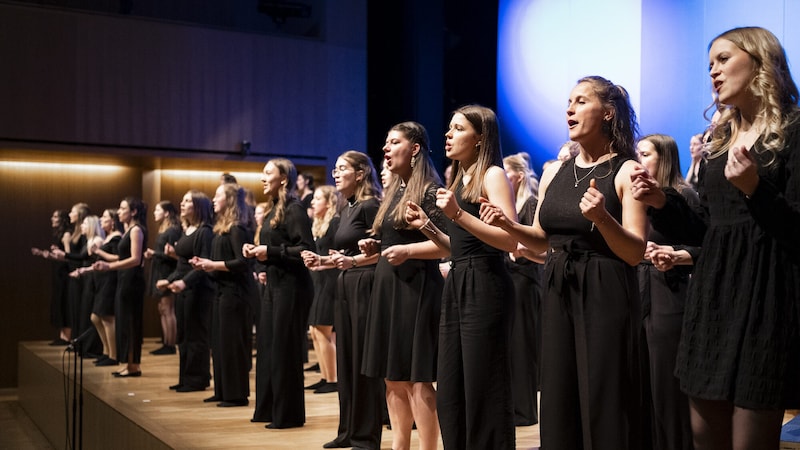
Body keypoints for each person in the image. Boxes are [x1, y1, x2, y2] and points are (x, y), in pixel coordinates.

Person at [631, 26, 800, 449]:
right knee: (704, 435)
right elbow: (705, 225)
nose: (714, 72)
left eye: (724, 59)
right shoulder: (719, 141)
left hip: (768, 295)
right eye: (709, 64)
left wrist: (755, 189)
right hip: (713, 296)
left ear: (761, 62)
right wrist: (661, 202)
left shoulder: (794, 132)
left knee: (750, 439)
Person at [481, 77, 648, 449]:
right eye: (568, 102)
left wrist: (603, 219)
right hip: (558, 287)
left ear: (607, 113)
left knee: (603, 393)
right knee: (559, 390)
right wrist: (508, 224)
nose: (569, 109)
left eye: (580, 101)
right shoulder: (557, 171)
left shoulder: (626, 170)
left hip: (605, 290)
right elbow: (542, 236)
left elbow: (636, 252)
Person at [406, 105, 520, 449]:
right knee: (452, 386)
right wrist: (426, 226)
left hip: (486, 283)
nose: (448, 134)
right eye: (449, 128)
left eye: (457, 129)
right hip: (459, 282)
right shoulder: (460, 177)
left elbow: (510, 239)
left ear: (480, 138)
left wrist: (458, 214)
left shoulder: (492, 175)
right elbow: (457, 248)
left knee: (483, 385)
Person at [360, 122, 448, 450]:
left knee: (417, 377)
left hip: (416, 291)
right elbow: (394, 238)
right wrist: (376, 247)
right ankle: (400, 445)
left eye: (394, 141)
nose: (385, 148)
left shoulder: (427, 191)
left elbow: (447, 245)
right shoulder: (395, 190)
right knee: (392, 376)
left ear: (414, 149)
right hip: (389, 287)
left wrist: (407, 250)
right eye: (385, 141)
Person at [635, 134, 698, 450]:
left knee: (666, 386)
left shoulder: (684, 195)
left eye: (645, 154)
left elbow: (702, 244)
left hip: (670, 294)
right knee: (642, 384)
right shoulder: (633, 199)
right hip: (637, 293)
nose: (638, 160)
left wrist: (671, 253)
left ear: (665, 158)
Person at [318, 150, 383, 449]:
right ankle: (347, 431)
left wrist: (353, 262)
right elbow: (349, 254)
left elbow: (381, 252)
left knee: (361, 362)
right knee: (346, 360)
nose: (334, 172)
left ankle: (365, 435)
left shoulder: (371, 206)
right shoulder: (347, 208)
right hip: (346, 284)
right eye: (334, 167)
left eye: (341, 168)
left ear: (360, 174)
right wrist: (324, 260)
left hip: (365, 287)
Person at [243, 158, 314, 429]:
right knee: (269, 348)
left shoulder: (295, 208)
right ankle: (269, 409)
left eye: (268, 173)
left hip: (292, 288)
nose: (262, 178)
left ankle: (289, 415)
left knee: (285, 350)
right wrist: (257, 254)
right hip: (274, 285)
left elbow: (306, 249)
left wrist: (269, 253)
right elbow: (276, 249)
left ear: (283, 178)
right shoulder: (274, 209)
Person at [192, 183, 258, 407]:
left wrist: (214, 264)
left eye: (218, 195)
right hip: (222, 292)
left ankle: (236, 394)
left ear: (229, 200)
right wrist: (205, 264)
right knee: (219, 344)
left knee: (232, 346)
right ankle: (222, 390)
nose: (213, 199)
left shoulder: (237, 228)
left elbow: (244, 263)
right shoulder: (220, 227)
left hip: (236, 294)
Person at [502, 152, 544, 427]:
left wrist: (518, 251)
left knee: (522, 346)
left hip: (525, 281)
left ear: (517, 176)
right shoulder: (512, 204)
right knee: (512, 346)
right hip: (512, 278)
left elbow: (538, 244)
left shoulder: (529, 204)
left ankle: (525, 410)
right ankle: (515, 406)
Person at [160, 191, 214, 391]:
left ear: (198, 206)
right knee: (183, 335)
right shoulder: (188, 229)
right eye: (182, 200)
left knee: (196, 335)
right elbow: (182, 264)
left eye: (188, 201)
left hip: (199, 290)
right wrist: (170, 279)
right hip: (184, 289)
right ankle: (185, 377)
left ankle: (197, 379)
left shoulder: (205, 232)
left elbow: (202, 265)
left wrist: (184, 282)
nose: (182, 203)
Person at [93, 197, 148, 378]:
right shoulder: (128, 231)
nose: (119, 211)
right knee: (124, 322)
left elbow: (135, 259)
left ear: (133, 212)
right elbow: (120, 257)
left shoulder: (136, 230)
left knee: (131, 322)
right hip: (125, 279)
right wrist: (103, 260)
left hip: (132, 281)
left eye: (123, 208)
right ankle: (128, 363)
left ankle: (133, 365)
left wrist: (109, 267)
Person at [300, 185, 341, 394]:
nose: (313, 202)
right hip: (318, 280)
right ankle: (325, 376)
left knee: (323, 329)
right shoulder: (318, 224)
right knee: (315, 331)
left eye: (317, 199)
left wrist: (321, 263)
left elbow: (338, 253)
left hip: (330, 280)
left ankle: (333, 379)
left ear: (329, 202)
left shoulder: (335, 222)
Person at [145, 201, 181, 355]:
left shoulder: (172, 230)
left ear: (166, 213)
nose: (154, 212)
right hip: (160, 270)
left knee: (168, 309)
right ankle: (166, 341)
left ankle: (171, 344)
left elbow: (174, 255)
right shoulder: (163, 229)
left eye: (157, 209)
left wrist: (154, 254)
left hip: (167, 272)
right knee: (162, 309)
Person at [31, 209, 72, 345]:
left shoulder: (66, 235)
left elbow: (69, 257)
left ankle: (67, 337)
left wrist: (53, 255)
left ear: (62, 220)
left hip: (65, 274)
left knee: (64, 302)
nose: (52, 219)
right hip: (58, 273)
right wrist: (45, 254)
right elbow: (59, 256)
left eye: (55, 217)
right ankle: (62, 336)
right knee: (58, 302)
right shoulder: (58, 234)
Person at [88, 209, 124, 367]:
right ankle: (106, 351)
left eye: (105, 217)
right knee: (95, 317)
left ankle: (113, 355)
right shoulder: (108, 237)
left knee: (107, 318)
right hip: (102, 281)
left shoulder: (117, 238)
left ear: (113, 221)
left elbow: (119, 258)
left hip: (110, 281)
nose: (101, 220)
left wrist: (98, 252)